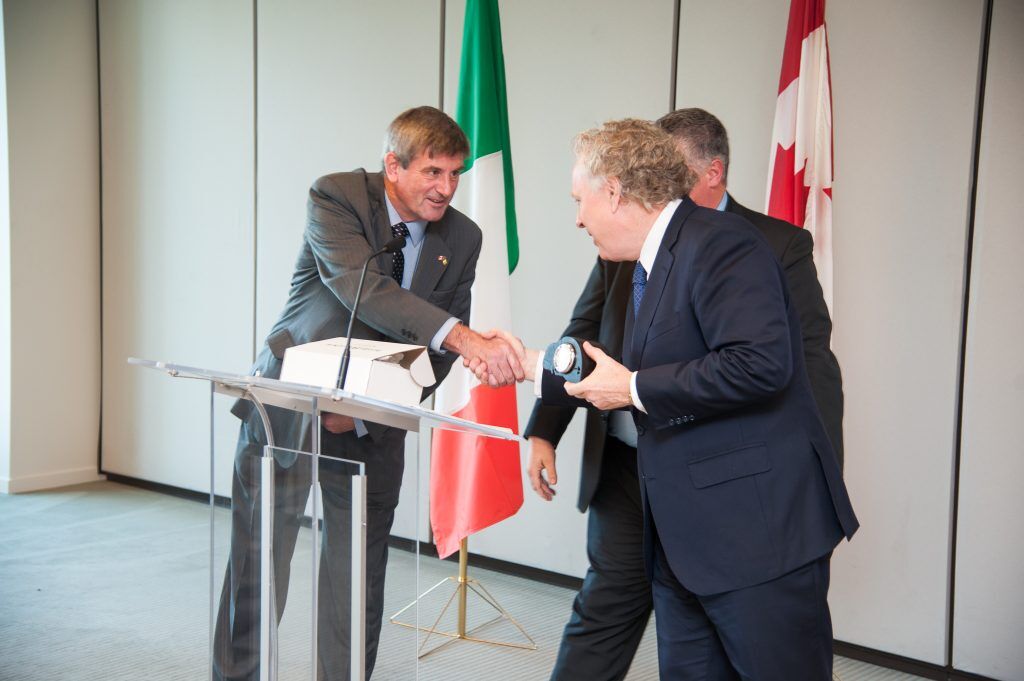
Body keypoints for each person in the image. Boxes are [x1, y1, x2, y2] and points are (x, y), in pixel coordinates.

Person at [516, 119, 857, 680]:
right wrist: (531, 366)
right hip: (675, 526)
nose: (577, 217)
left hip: (752, 532)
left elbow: (763, 364)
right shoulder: (652, 256)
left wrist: (629, 389)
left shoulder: (723, 244)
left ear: (616, 192)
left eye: (580, 201)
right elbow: (604, 347)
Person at [212, 106, 524, 681]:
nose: (446, 188)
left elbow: (435, 349)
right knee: (259, 563)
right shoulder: (337, 197)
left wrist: (367, 409)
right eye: (432, 172)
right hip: (288, 407)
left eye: (455, 174)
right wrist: (464, 338)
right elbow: (363, 288)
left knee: (357, 580)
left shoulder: (464, 235)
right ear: (392, 166)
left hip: (373, 426)